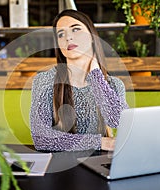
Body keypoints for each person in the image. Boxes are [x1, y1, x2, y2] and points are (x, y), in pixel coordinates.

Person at [30, 9, 128, 152]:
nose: (68, 37)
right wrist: (100, 142)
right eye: (61, 34)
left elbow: (118, 121)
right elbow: (41, 139)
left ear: (92, 36)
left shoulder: (113, 84)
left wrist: (96, 75)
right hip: (60, 166)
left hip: (100, 163)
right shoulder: (45, 80)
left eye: (75, 29)